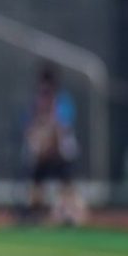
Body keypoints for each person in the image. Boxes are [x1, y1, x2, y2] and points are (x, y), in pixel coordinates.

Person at [22, 64, 86, 225]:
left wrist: (49, 144)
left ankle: (71, 214)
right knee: (37, 182)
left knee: (66, 184)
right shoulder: (38, 101)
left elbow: (63, 128)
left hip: (61, 152)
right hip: (43, 153)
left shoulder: (62, 101)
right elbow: (31, 127)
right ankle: (35, 213)